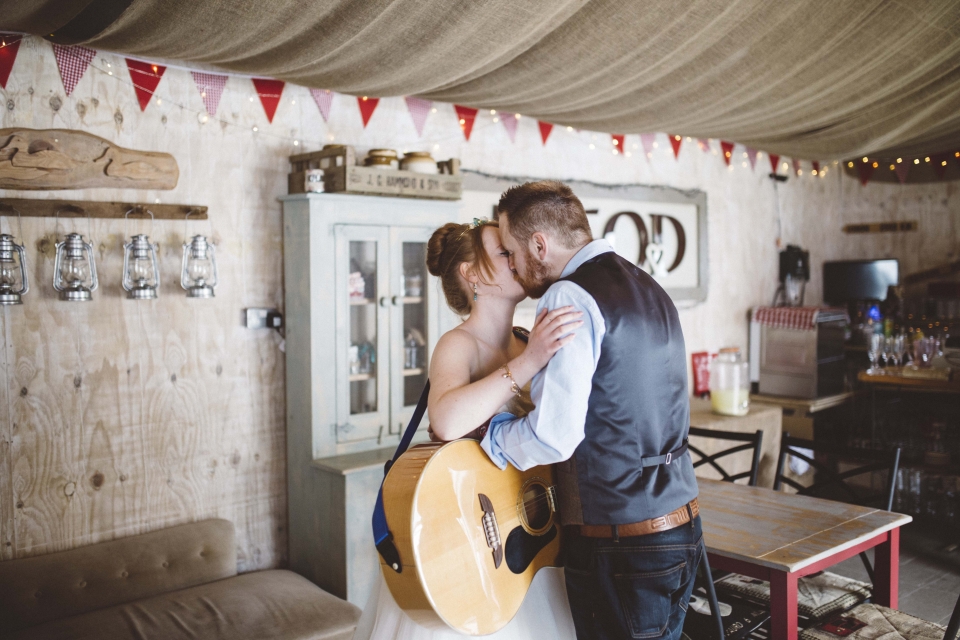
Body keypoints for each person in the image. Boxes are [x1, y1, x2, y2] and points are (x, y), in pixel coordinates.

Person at [485, 180, 701, 640]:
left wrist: (492, 434)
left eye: (511, 251)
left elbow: (553, 436)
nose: (513, 266)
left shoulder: (568, 298)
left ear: (539, 245)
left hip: (622, 546)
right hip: (682, 527)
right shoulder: (648, 285)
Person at [353, 218, 582, 640]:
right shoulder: (456, 344)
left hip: (532, 540)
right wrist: (531, 361)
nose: (517, 259)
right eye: (504, 252)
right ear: (473, 274)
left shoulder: (524, 337)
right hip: (471, 547)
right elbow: (446, 419)